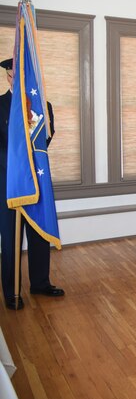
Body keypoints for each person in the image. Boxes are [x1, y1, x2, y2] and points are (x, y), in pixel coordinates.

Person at [0, 58, 64, 310]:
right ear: (9, 77)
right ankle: (11, 291)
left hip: (37, 182)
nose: (22, 79)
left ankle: (40, 282)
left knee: (39, 235)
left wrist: (30, 161)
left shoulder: (42, 105)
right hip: (10, 183)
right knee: (11, 239)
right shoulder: (0, 105)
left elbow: (46, 138)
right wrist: (17, 165)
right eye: (17, 74)